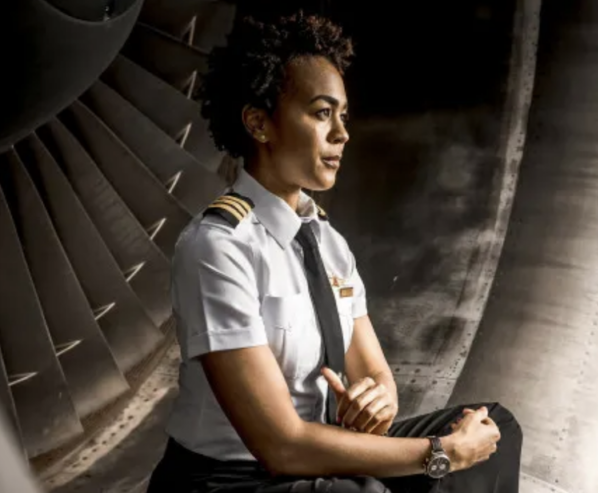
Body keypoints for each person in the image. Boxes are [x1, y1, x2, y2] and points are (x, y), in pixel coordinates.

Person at [145, 11, 522, 493]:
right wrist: (442, 454)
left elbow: (375, 373)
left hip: (320, 455)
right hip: (234, 478)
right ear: (259, 123)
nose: (342, 134)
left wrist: (378, 400)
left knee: (497, 428)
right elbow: (280, 445)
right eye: (323, 113)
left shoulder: (327, 242)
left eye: (343, 116)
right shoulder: (218, 248)